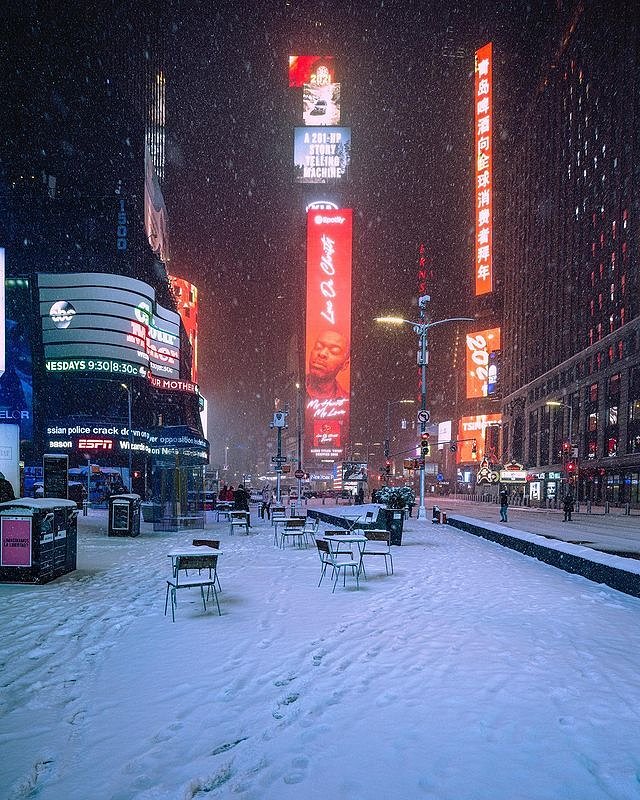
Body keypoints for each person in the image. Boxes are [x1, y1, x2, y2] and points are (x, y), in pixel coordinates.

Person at [306, 330, 350, 400]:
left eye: (334, 350)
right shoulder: (293, 388)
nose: (322, 353)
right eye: (318, 347)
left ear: (345, 365)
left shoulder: (346, 401)